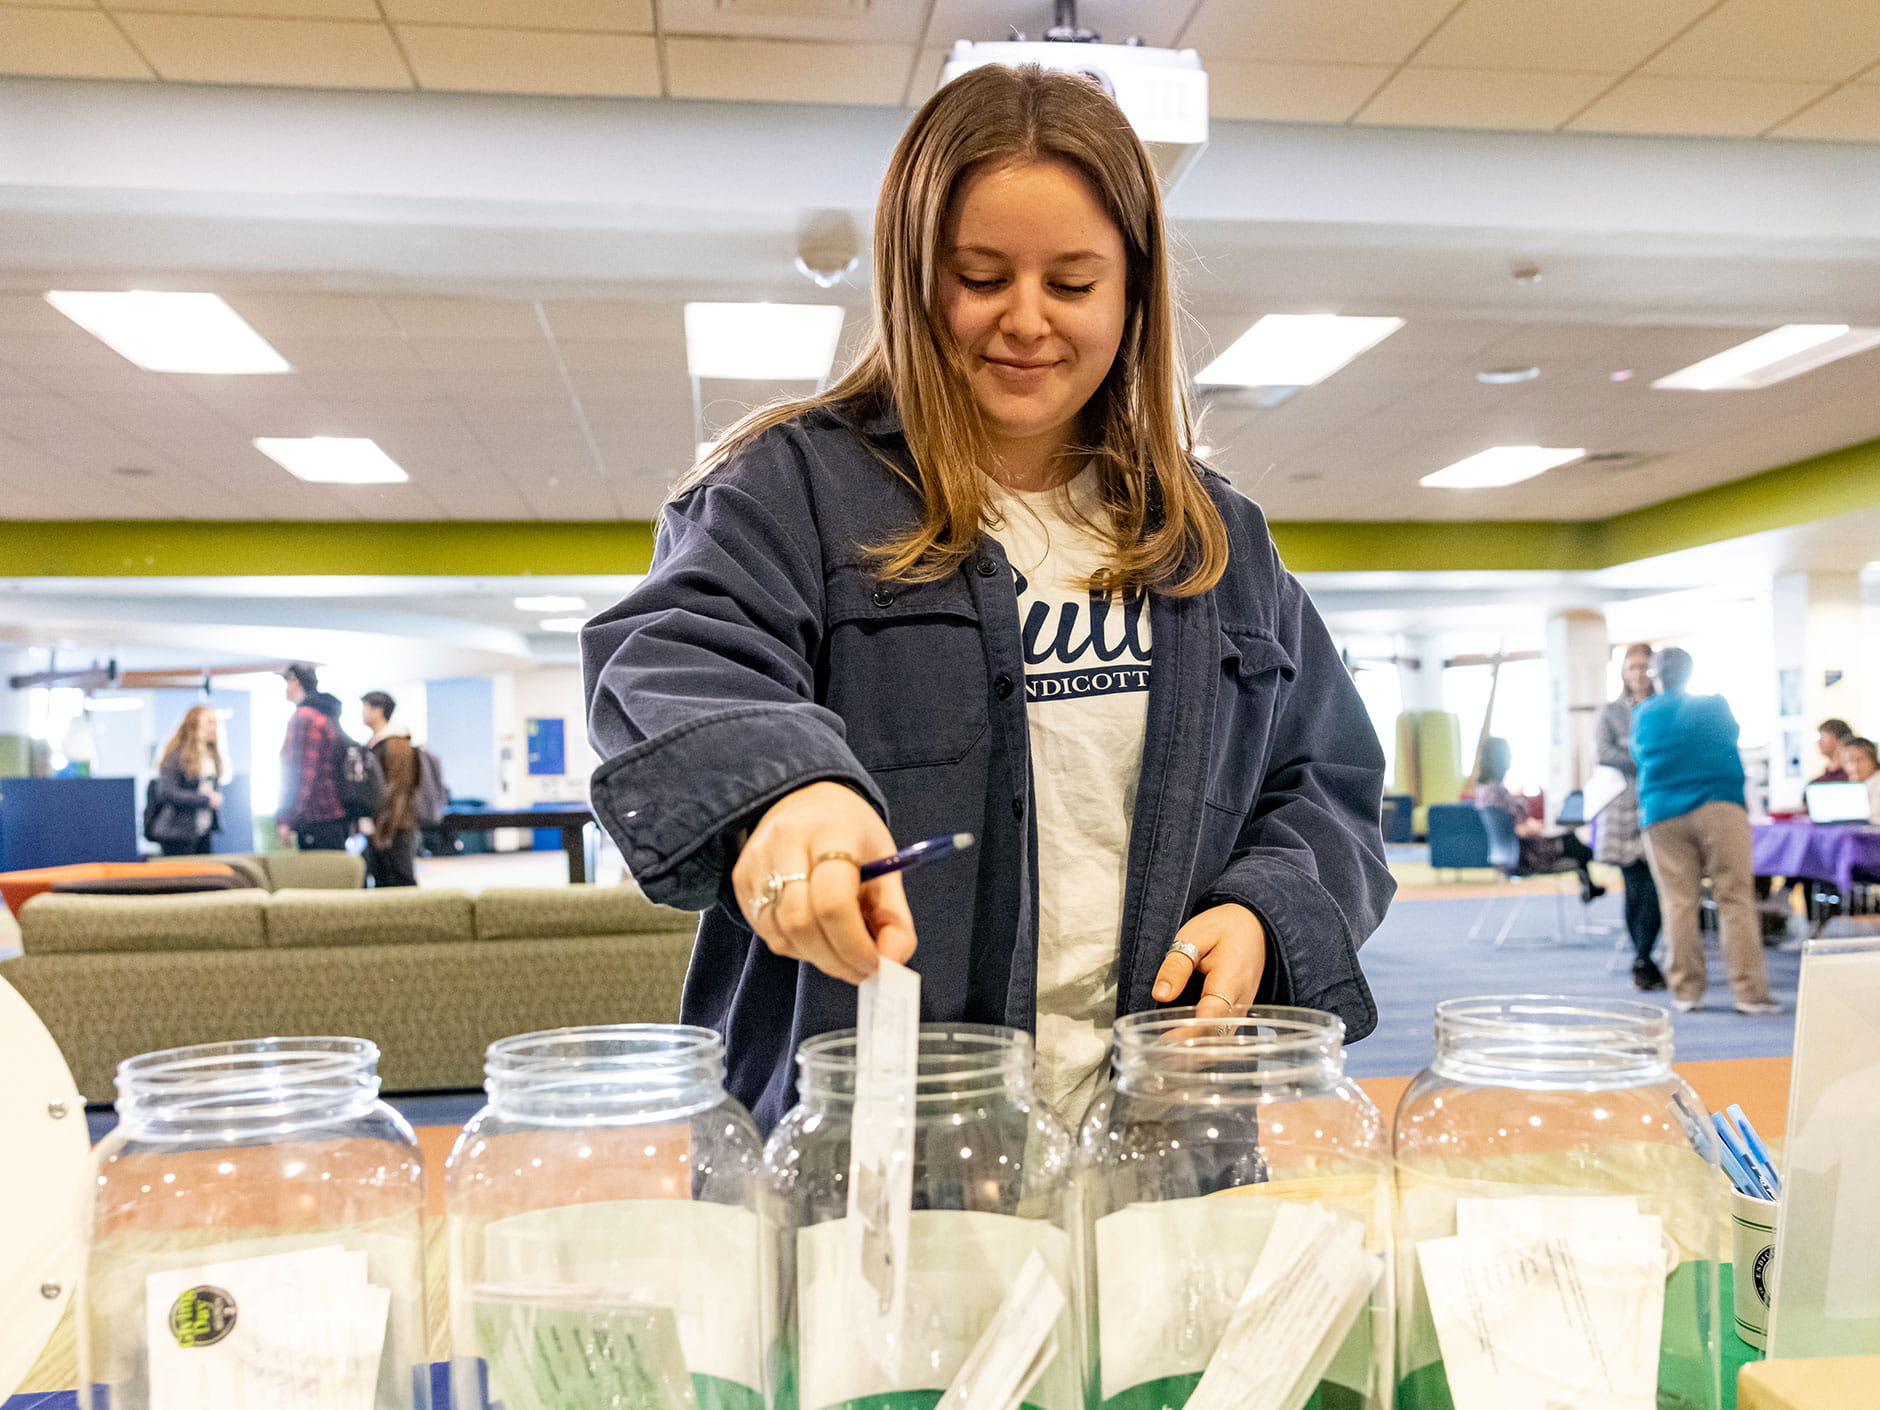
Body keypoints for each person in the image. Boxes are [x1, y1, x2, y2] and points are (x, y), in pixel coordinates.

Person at [583, 64, 1395, 1129]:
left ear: (1130, 294)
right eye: (978, 276)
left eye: (1070, 284)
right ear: (914, 279)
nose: (1024, 321)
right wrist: (791, 790)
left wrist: (1263, 908)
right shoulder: (788, 492)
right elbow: (674, 654)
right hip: (873, 1151)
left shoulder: (1214, 536)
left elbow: (1324, 781)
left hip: (1157, 1134)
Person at [1630, 647, 1780, 1016]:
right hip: (1719, 805)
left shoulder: (1644, 713)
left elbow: (1637, 756)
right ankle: (1749, 993)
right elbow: (1732, 735)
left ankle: (1686, 991)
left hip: (1662, 813)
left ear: (1656, 675)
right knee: (1735, 898)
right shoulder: (1714, 704)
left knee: (1678, 902)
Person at [1596, 643, 1664, 991]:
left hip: (1659, 808)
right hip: (1622, 811)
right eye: (1632, 667)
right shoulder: (1610, 712)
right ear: (1623, 671)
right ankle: (1642, 957)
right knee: (1633, 887)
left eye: (1644, 666)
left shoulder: (1664, 706)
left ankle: (1644, 955)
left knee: (1655, 887)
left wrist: (1633, 753)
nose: (1639, 673)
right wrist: (1646, 758)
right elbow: (1605, 753)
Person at [1471, 737, 1604, 904]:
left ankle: (1588, 886)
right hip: (1525, 855)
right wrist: (1536, 827)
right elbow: (1520, 829)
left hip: (1503, 854)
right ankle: (1589, 885)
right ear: (1499, 758)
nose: (1511, 759)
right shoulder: (1498, 793)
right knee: (1575, 842)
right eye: (1508, 755)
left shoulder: (1483, 791)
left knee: (1573, 842)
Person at [277, 663, 348, 851]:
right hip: (332, 815)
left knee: (319, 878)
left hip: (316, 818)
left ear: (295, 683)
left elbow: (300, 774)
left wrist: (286, 818)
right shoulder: (324, 715)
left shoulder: (304, 717)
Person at [361, 690, 421, 887]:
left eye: (365, 707)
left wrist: (385, 828)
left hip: (396, 824)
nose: (362, 712)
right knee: (382, 879)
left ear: (378, 711)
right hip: (382, 823)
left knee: (400, 878)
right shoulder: (376, 743)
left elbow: (397, 788)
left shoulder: (396, 743)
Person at [149, 705, 227, 855]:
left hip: (203, 831)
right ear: (195, 724)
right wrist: (205, 800)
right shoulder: (175, 755)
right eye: (209, 722)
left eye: (215, 723)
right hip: (176, 834)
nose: (214, 727)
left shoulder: (212, 755)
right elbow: (167, 792)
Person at [1843, 737, 1880, 822]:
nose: (1854, 766)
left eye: (1859, 759)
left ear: (1873, 759)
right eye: (1847, 761)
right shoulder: (1855, 785)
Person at [1811, 717, 1854, 783]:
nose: (1819, 742)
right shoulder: (1817, 782)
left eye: (1822, 737)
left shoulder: (1853, 778)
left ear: (1839, 741)